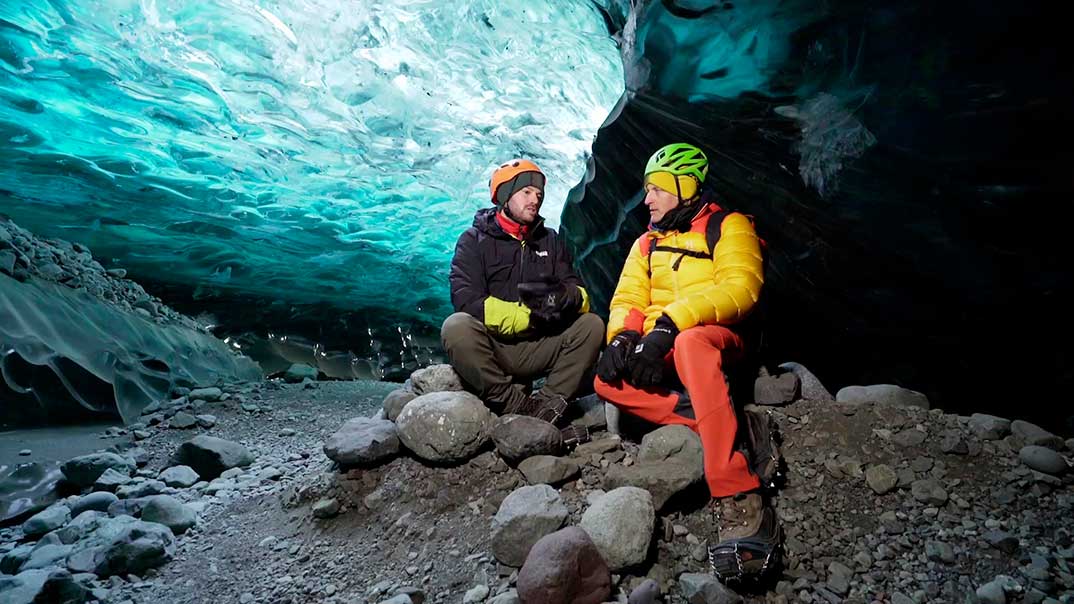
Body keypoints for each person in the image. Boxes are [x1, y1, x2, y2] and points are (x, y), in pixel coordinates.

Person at [593, 143, 781, 579]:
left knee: (694, 342)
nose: (648, 199)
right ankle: (729, 426)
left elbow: (740, 289)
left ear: (685, 187)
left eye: (657, 189)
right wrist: (622, 338)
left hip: (717, 340)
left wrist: (669, 326)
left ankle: (736, 489)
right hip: (664, 345)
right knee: (604, 380)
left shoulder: (728, 226)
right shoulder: (646, 243)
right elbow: (628, 299)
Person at [442, 159, 602, 445]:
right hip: (496, 347)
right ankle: (514, 404)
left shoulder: (550, 240)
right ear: (505, 195)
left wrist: (570, 297)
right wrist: (528, 317)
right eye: (527, 192)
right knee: (456, 327)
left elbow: (578, 290)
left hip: (539, 345)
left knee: (591, 325)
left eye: (539, 194)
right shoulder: (472, 240)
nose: (535, 199)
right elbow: (466, 301)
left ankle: (547, 405)